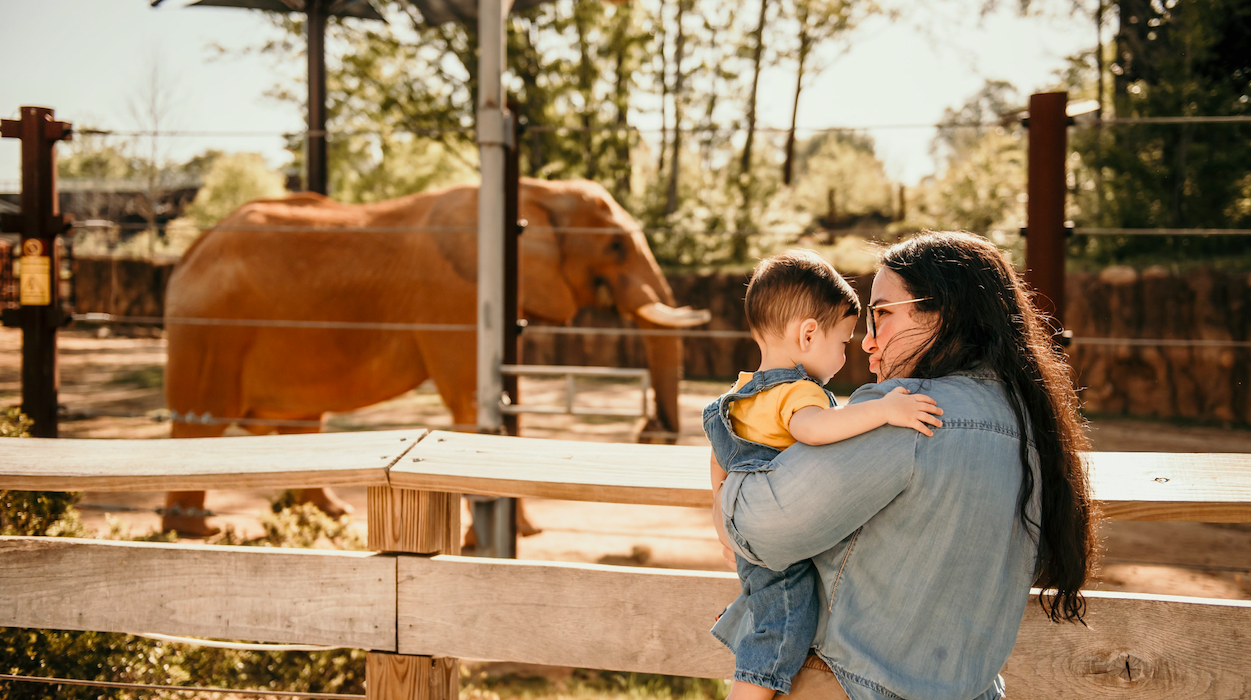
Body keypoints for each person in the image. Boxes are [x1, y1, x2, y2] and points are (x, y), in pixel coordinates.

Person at [713, 232, 1095, 700]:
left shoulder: (908, 412)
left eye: (882, 316)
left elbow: (760, 527)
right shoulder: (1031, 425)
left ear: (943, 313)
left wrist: (723, 491)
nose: (868, 344)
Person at [703, 250, 944, 700]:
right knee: (781, 628)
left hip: (750, 535)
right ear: (809, 334)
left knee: (767, 616)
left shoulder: (737, 395)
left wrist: (724, 522)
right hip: (783, 547)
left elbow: (721, 457)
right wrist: (884, 410)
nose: (847, 354)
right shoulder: (799, 392)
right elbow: (813, 431)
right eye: (844, 342)